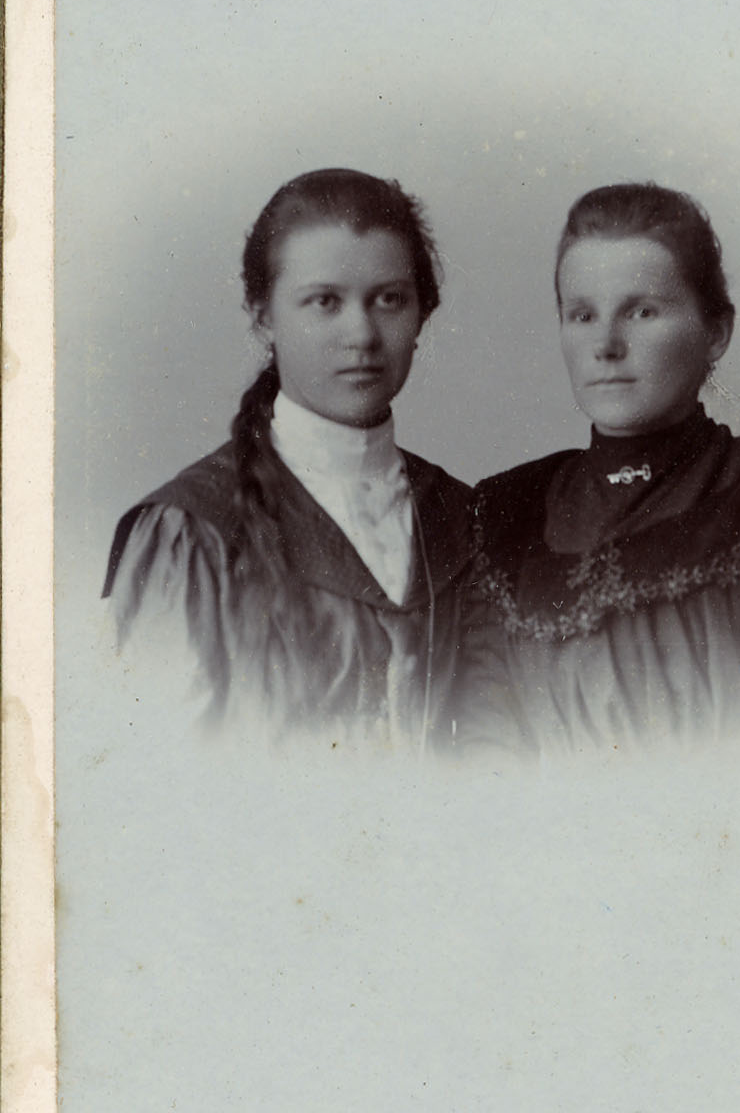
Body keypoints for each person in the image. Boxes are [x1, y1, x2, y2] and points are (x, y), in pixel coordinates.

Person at [459, 180, 740, 756]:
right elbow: (488, 759)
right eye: (582, 315)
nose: (606, 344)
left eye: (642, 311)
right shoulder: (508, 516)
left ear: (716, 333)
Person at [104, 168, 471, 752]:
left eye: (389, 299)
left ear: (422, 314)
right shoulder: (193, 532)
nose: (362, 334)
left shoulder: (462, 516)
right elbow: (152, 774)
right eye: (324, 301)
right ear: (263, 315)